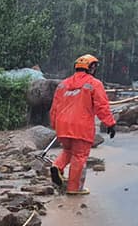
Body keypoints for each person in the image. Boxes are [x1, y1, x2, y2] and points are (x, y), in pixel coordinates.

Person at [49, 54, 117, 196]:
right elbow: (102, 106)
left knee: (67, 151)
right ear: (91, 68)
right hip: (81, 126)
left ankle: (57, 166)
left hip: (63, 126)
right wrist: (110, 123)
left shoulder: (62, 85)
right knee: (79, 156)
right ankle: (74, 189)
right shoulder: (94, 84)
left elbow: (54, 107)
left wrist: (55, 125)